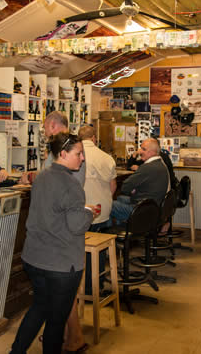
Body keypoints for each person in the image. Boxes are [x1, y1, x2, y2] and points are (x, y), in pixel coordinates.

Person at [9, 133, 100, 354]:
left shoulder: (41, 177)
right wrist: (89, 213)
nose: (82, 158)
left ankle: (16, 351)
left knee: (39, 308)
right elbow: (77, 225)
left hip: (34, 258)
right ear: (63, 154)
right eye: (78, 154)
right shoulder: (71, 185)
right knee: (56, 321)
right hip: (61, 265)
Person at [78, 125, 116, 296]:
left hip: (82, 209)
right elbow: (113, 187)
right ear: (94, 138)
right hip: (102, 209)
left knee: (82, 248)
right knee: (99, 246)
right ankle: (97, 285)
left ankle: (83, 288)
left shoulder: (76, 156)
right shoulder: (107, 158)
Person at [110, 138, 170, 224]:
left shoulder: (147, 167)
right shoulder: (161, 164)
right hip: (153, 207)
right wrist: (134, 190)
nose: (140, 152)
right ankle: (125, 228)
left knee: (108, 204)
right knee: (120, 198)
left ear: (152, 152)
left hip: (144, 210)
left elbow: (125, 187)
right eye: (141, 148)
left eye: (144, 149)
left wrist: (134, 190)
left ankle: (110, 231)